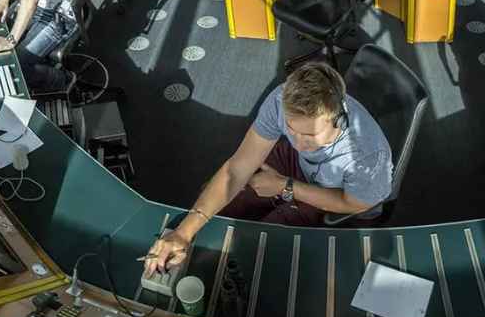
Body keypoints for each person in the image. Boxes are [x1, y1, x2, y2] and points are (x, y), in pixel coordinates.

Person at [142, 63, 393, 275]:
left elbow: (355, 204)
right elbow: (236, 170)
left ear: (338, 117)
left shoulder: (367, 156)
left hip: (332, 192)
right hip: (297, 167)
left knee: (256, 243)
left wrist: (287, 187)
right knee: (212, 193)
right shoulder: (280, 101)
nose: (298, 141)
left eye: (309, 135)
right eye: (291, 129)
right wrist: (184, 233)